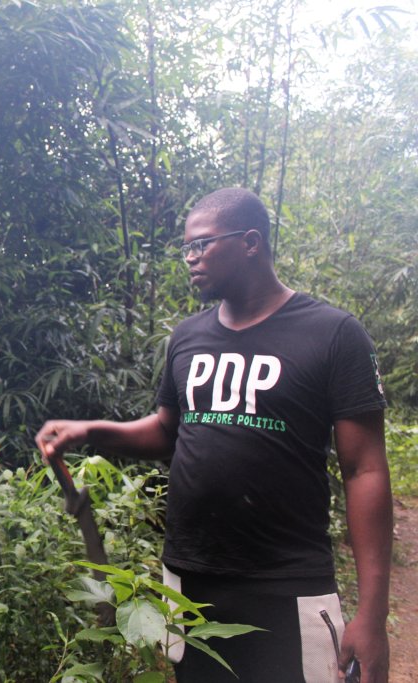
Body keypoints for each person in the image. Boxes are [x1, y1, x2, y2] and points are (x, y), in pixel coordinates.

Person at [36, 188, 392, 683]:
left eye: (201, 245)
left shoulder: (332, 335)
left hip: (287, 582)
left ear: (250, 242)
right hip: (190, 576)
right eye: (185, 248)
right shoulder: (187, 337)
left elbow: (365, 469)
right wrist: (92, 430)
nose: (190, 259)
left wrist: (372, 616)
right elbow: (167, 431)